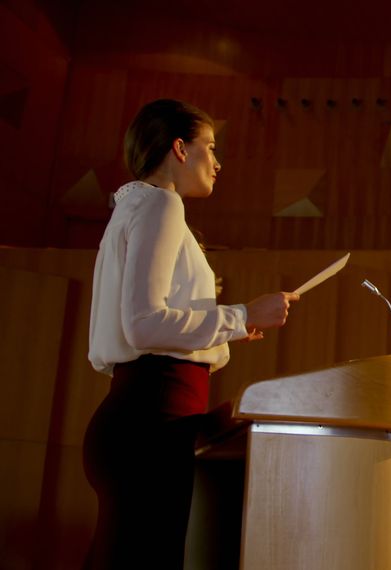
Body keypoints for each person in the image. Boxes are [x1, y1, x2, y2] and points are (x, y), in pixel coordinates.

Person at [82, 99, 298, 569]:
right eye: (210, 147)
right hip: (151, 421)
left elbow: (141, 324)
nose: (218, 163)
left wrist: (230, 330)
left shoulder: (135, 206)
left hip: (137, 416)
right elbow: (143, 324)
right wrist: (241, 315)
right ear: (180, 149)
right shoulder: (161, 204)